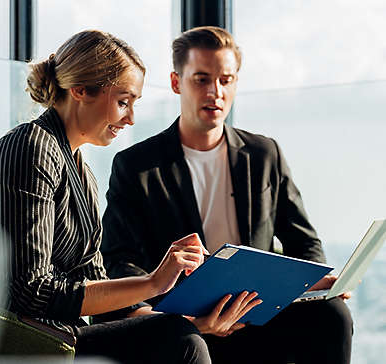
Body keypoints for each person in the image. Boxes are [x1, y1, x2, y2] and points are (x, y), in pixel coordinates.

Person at [0, 30, 262, 364]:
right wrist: (152, 283)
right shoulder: (31, 148)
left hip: (61, 336)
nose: (130, 118)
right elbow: (30, 293)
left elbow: (97, 288)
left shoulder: (80, 171)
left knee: (180, 333)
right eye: (123, 102)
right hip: (17, 340)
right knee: (179, 342)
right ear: (80, 91)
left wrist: (186, 320)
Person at [100, 26, 354, 364]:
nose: (215, 92)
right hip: (189, 323)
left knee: (333, 315)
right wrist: (161, 312)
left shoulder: (265, 154)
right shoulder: (136, 165)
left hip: (258, 313)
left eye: (226, 80)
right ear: (176, 83)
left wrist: (315, 279)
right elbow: (121, 258)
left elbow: (303, 240)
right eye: (201, 79)